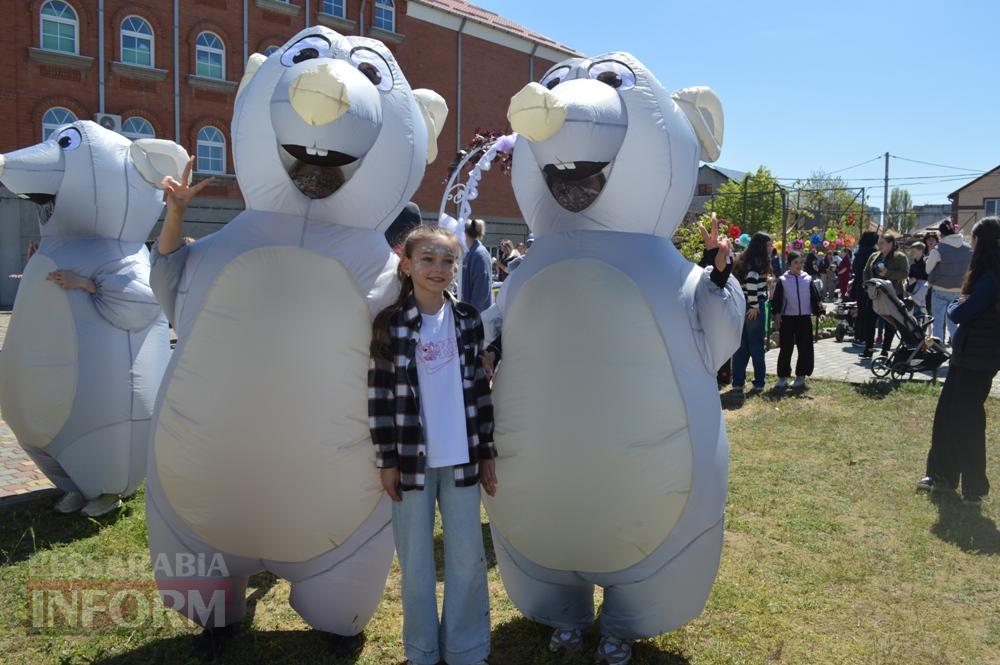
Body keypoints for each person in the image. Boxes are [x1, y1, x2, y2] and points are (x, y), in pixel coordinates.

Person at [368, 225, 498, 665]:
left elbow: (480, 391)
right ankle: (421, 651)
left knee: (466, 561)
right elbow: (380, 397)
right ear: (406, 265)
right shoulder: (390, 324)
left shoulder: (467, 319)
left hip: (462, 460)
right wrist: (387, 460)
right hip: (409, 463)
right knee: (417, 566)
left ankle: (467, 649)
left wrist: (486, 453)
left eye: (447, 260)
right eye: (428, 259)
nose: (438, 269)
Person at [919, 217, 1000, 504]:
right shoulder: (988, 274)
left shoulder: (990, 277)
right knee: (949, 416)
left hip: (977, 359)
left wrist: (957, 303)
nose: (971, 245)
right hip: (971, 357)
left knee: (966, 421)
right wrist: (960, 303)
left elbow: (959, 312)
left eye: (974, 240)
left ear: (983, 243)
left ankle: (973, 488)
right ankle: (943, 476)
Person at [771, 251, 822, 389]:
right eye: (796, 262)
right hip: (787, 318)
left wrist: (819, 309)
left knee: (805, 347)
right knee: (786, 348)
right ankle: (782, 377)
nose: (799, 265)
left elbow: (815, 297)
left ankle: (801, 376)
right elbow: (777, 300)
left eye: (801, 262)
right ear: (789, 264)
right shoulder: (783, 280)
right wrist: (776, 314)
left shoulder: (808, 279)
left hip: (804, 318)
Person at [731, 232, 772, 393]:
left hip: (742, 305)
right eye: (769, 245)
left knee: (742, 346)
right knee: (756, 345)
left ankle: (738, 382)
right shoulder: (759, 261)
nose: (771, 248)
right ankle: (759, 382)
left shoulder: (743, 259)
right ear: (761, 246)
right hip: (753, 306)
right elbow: (752, 280)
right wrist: (754, 305)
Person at [860, 234, 908, 358]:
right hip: (874, 294)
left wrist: (888, 273)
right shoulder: (874, 255)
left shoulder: (900, 257)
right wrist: (866, 285)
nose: (879, 245)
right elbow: (865, 271)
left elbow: (904, 273)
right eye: (879, 243)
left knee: (890, 323)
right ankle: (868, 348)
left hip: (891, 294)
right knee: (869, 320)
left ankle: (885, 350)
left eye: (882, 243)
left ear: (891, 244)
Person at [926, 219, 972, 344]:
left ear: (941, 234)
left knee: (938, 321)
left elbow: (928, 269)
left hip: (940, 288)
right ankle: (958, 348)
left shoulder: (939, 249)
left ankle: (938, 349)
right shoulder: (968, 249)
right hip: (960, 290)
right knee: (954, 322)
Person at [462, 218, 493, 314]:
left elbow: (481, 290)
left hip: (478, 317)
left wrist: (472, 315)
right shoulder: (471, 252)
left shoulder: (479, 254)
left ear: (464, 233)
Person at [906, 241, 929, 318]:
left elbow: (926, 274)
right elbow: (910, 276)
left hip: (921, 290)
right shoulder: (913, 265)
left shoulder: (926, 262)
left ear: (921, 251)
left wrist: (916, 278)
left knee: (921, 309)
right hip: (913, 289)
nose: (912, 253)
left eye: (914, 251)